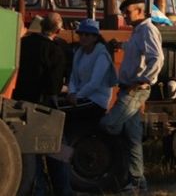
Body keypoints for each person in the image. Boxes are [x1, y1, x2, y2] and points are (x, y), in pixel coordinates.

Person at [99, 0, 164, 192]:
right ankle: (137, 182)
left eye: (127, 13)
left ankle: (115, 167)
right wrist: (120, 46)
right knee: (133, 138)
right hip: (130, 88)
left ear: (139, 11)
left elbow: (157, 57)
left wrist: (143, 80)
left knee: (108, 124)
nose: (124, 16)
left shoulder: (147, 30)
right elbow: (137, 51)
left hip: (134, 90)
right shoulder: (138, 32)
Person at [13, 12, 73, 196]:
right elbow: (53, 85)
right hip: (44, 107)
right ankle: (63, 190)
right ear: (58, 30)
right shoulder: (56, 50)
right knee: (58, 151)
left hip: (21, 103)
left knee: (30, 152)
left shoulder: (24, 44)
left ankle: (37, 189)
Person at [67, 19, 117, 122]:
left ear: (95, 37)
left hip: (97, 101)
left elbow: (95, 83)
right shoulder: (79, 52)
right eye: (81, 34)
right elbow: (73, 76)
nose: (83, 37)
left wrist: (78, 96)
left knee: (65, 114)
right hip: (81, 97)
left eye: (87, 35)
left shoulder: (102, 55)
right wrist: (72, 92)